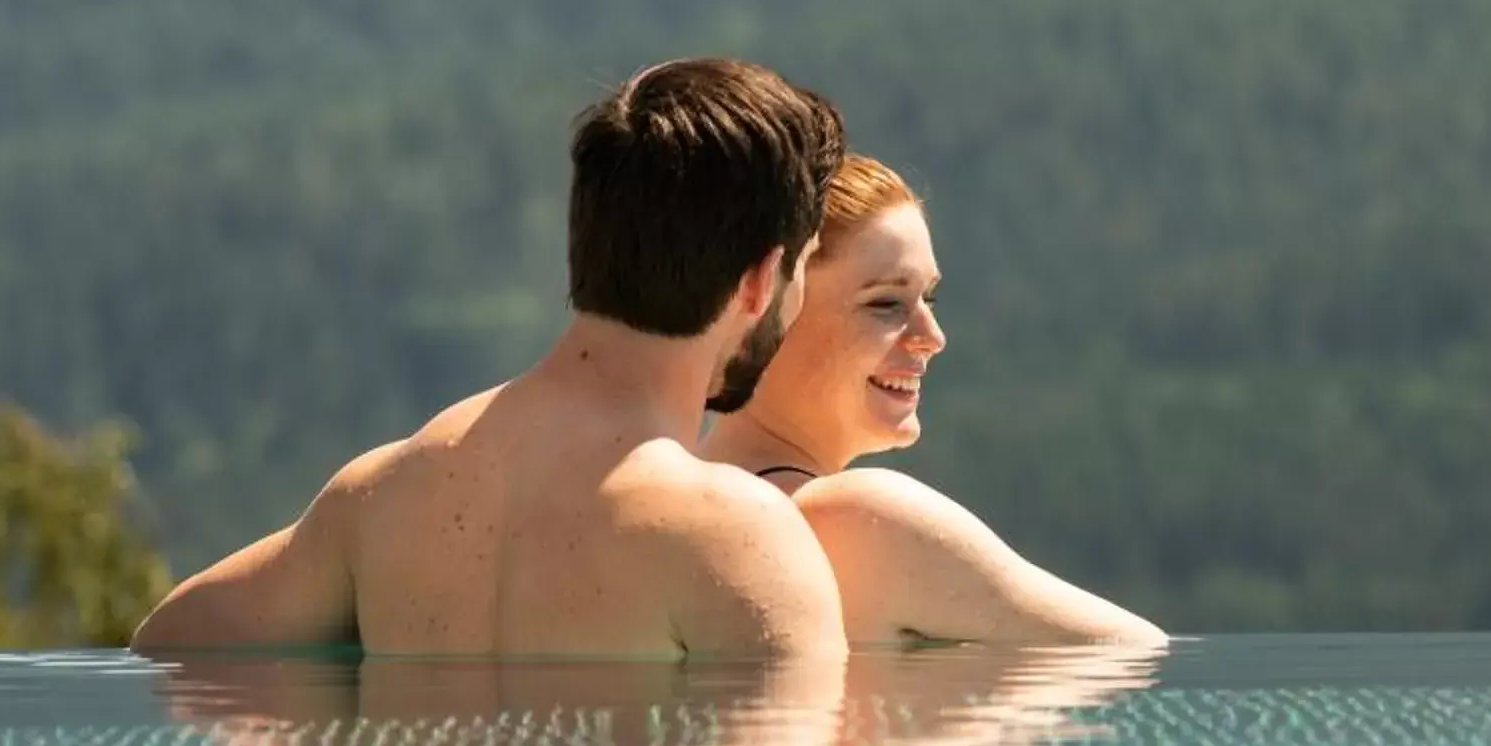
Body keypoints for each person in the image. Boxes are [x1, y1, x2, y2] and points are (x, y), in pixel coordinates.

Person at [132, 58, 850, 659]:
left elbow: (169, 642)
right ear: (760, 281)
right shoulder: (733, 535)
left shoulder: (383, 493)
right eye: (805, 271)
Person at [702, 156, 1165, 647]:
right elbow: (1146, 663)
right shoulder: (864, 522)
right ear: (765, 308)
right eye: (886, 304)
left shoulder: (664, 508)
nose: (933, 336)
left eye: (930, 300)